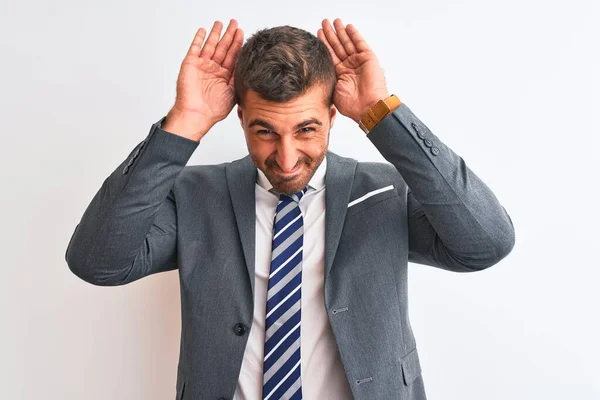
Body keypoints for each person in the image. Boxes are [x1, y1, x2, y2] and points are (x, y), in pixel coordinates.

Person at [65, 17, 515, 400]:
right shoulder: (195, 195)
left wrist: (382, 113)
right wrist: (183, 123)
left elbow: (486, 243)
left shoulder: (383, 192)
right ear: (239, 116)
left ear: (334, 115)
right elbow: (97, 262)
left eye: (306, 129)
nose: (285, 157)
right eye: (264, 131)